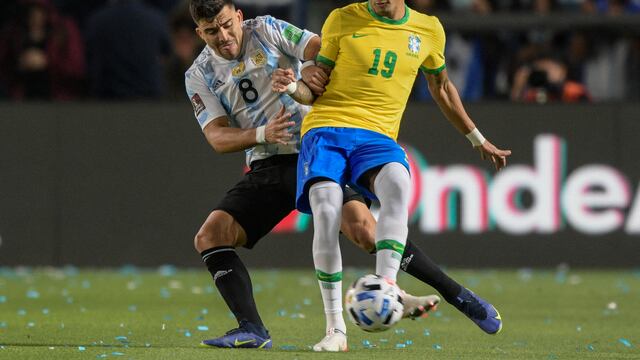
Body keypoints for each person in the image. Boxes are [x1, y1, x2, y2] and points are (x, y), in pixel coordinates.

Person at [186, 0, 447, 351]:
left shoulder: (266, 29)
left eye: (225, 24)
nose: (223, 36)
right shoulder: (199, 74)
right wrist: (263, 134)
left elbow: (322, 47)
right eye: (211, 31)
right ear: (199, 32)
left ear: (238, 16)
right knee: (210, 236)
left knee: (364, 230)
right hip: (267, 162)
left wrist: (308, 71)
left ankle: (416, 291)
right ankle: (251, 329)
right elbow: (217, 136)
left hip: (316, 147)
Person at [272, 0, 511, 351]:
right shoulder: (341, 19)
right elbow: (314, 90)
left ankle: (386, 284)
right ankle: (336, 330)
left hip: (377, 137)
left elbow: (442, 87)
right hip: (326, 130)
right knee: (326, 210)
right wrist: (294, 87)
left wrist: (477, 137)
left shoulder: (428, 29)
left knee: (398, 182)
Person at [0, 0, 85, 100]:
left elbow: (77, 70)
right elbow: (4, 69)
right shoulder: (14, 33)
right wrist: (20, 64)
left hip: (58, 100)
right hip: (21, 100)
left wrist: (47, 62)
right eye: (30, 13)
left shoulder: (64, 30)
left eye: (39, 13)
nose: (35, 18)